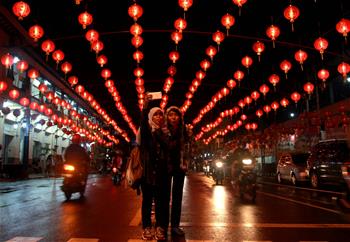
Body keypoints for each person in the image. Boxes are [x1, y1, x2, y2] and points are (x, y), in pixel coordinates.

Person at [137, 98, 169, 241]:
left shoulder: (165, 132)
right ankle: (146, 227)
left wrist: (158, 132)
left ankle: (160, 227)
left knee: (161, 202)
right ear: (151, 116)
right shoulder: (145, 133)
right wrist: (145, 108)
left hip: (162, 173)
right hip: (148, 173)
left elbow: (169, 147)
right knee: (147, 202)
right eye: (155, 114)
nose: (158, 117)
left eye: (160, 114)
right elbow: (143, 125)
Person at [165, 106, 191, 236]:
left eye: (176, 115)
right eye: (171, 115)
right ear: (167, 117)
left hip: (180, 166)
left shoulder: (184, 130)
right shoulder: (163, 130)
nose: (173, 117)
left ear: (180, 117)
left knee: (177, 197)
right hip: (166, 166)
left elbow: (189, 147)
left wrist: (186, 162)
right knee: (164, 196)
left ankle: (175, 225)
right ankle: (163, 226)